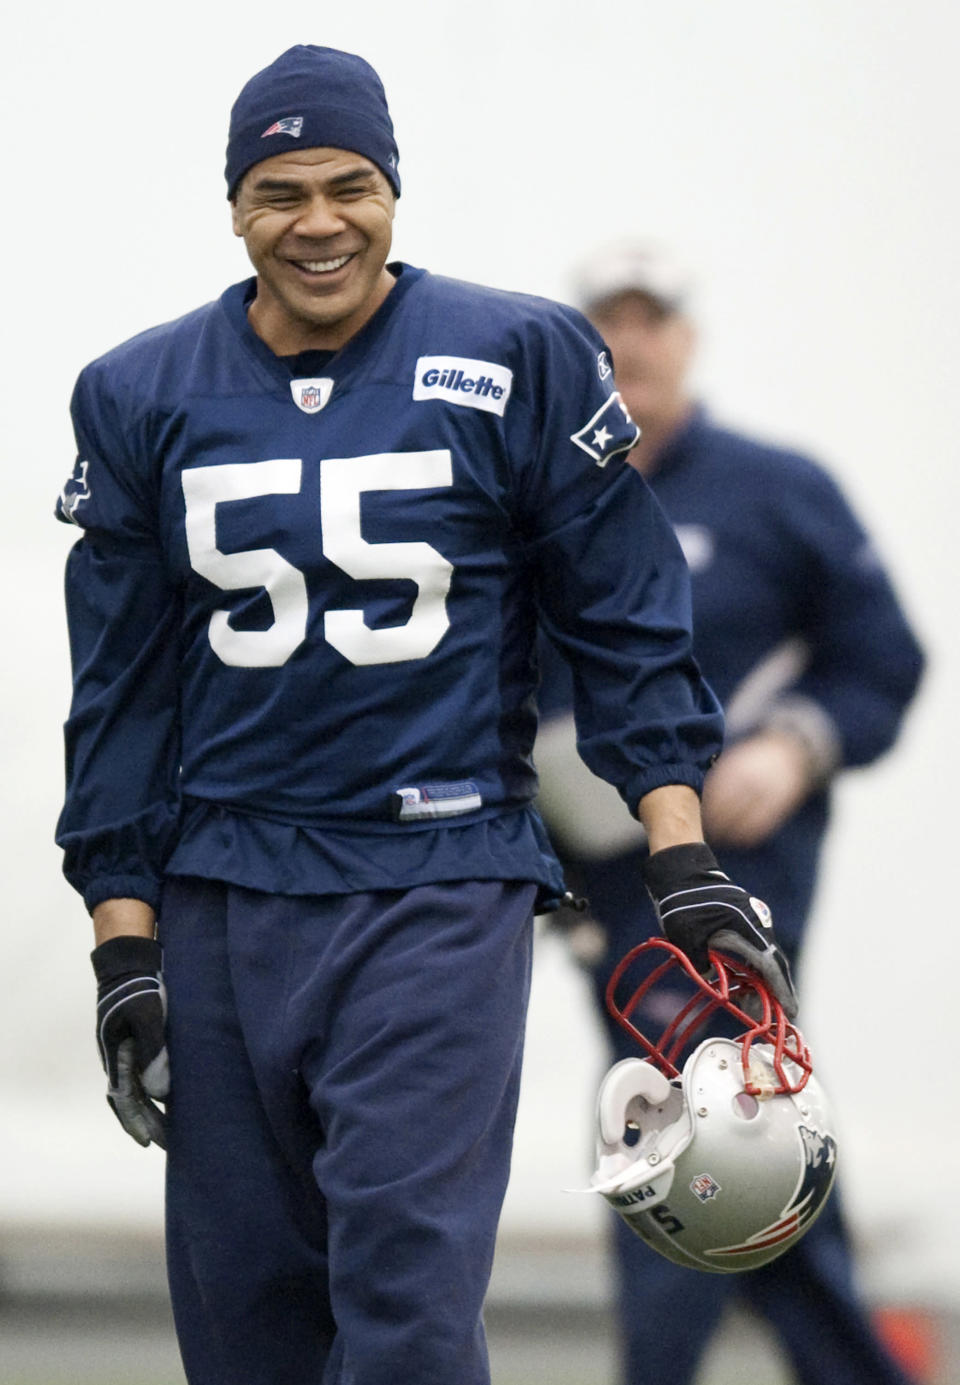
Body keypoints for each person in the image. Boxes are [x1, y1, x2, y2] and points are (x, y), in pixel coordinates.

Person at [52, 49, 799, 1385]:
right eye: (281, 191)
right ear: (234, 206)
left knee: (402, 1290)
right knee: (246, 1314)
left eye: (351, 185)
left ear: (393, 192)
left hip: (439, 877)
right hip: (225, 883)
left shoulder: (518, 355)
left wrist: (679, 855)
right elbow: (119, 686)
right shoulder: (141, 392)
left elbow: (622, 617)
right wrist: (124, 940)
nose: (320, 220)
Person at [535, 241, 926, 1385]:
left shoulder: (776, 487)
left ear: (687, 338)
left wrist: (798, 744)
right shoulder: (551, 497)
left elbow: (883, 656)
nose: (634, 342)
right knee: (744, 1117)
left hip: (739, 874)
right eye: (610, 321)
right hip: (608, 880)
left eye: (653, 319)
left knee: (688, 1120)